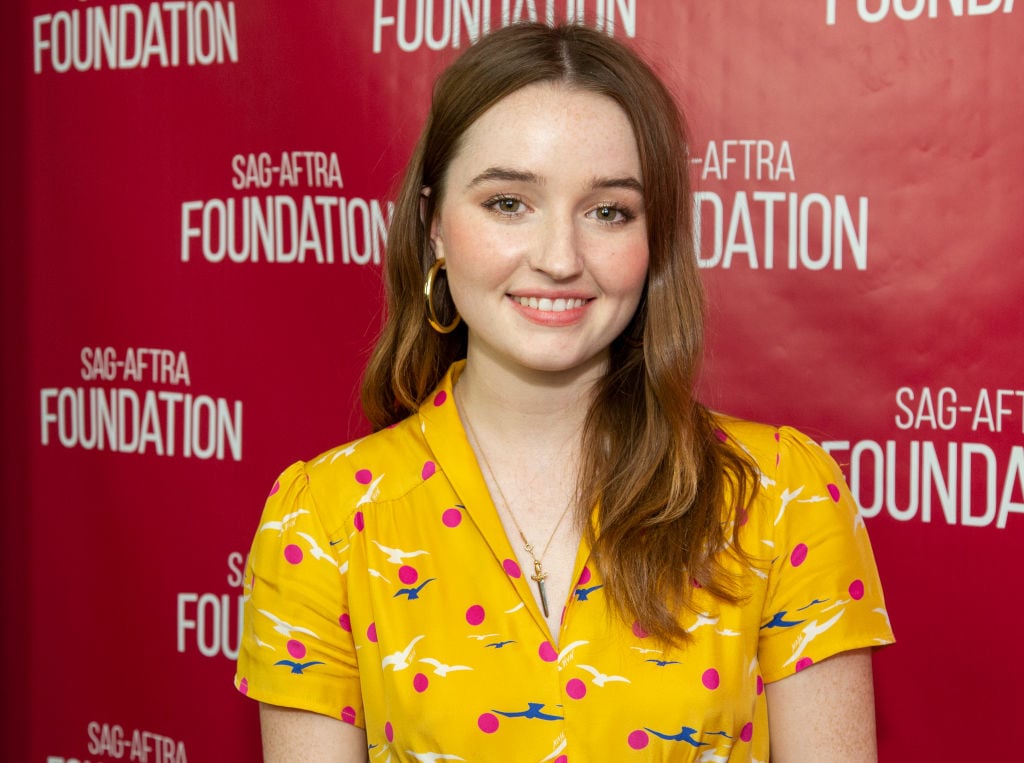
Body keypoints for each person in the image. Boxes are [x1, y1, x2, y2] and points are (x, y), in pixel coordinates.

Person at [235, 21, 894, 762]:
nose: (559, 258)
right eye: (508, 202)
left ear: (654, 240)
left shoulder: (779, 495)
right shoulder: (324, 523)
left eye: (608, 211)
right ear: (434, 225)